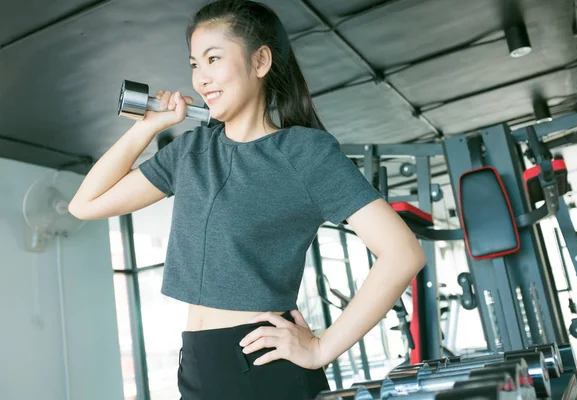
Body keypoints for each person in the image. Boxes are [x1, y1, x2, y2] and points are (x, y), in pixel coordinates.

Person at [68, 0, 425, 399]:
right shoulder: (192, 151)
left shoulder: (304, 153)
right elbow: (85, 204)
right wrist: (146, 129)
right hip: (198, 362)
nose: (201, 78)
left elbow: (402, 253)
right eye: (194, 65)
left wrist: (322, 347)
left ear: (260, 62)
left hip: (262, 362)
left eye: (213, 58)